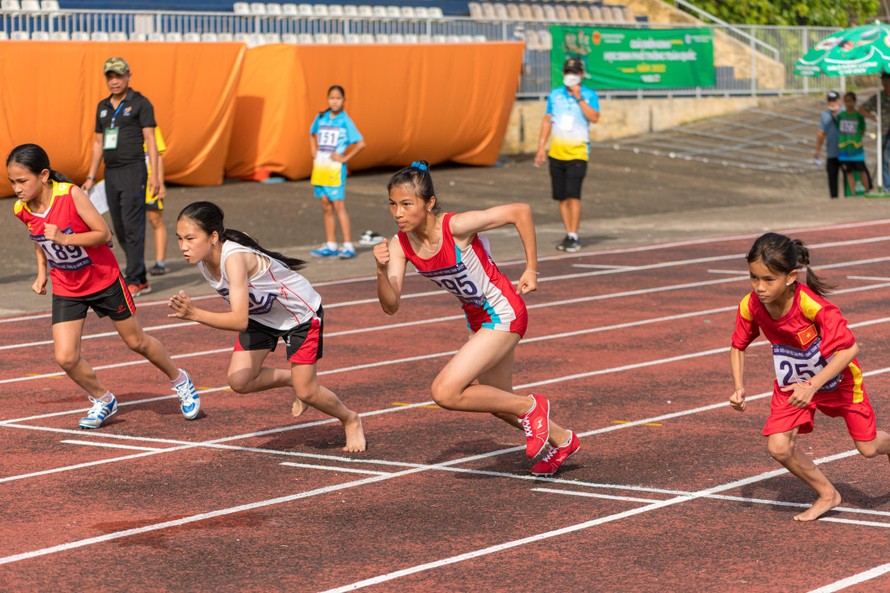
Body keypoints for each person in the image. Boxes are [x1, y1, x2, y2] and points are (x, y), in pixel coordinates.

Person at [372, 161, 578, 476]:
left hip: (504, 312)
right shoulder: (400, 245)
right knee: (497, 402)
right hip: (479, 323)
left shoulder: (455, 227)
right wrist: (381, 270)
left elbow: (519, 211)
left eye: (406, 204)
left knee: (444, 391)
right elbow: (391, 305)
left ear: (428, 204)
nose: (397, 213)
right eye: (392, 204)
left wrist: (531, 268)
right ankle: (562, 439)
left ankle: (531, 406)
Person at [8, 144, 200, 429]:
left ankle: (180, 380)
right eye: (12, 181)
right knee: (65, 357)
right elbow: (38, 239)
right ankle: (103, 399)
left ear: (44, 175)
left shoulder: (72, 195)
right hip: (67, 286)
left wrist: (65, 239)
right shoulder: (21, 209)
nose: (17, 188)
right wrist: (41, 274)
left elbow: (103, 233)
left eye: (22, 181)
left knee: (136, 342)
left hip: (103, 279)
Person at [168, 201, 366, 452]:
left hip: (299, 316)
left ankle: (350, 419)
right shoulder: (203, 259)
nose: (183, 247)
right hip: (262, 318)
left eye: (190, 238)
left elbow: (239, 320)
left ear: (213, 237)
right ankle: (291, 380)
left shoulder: (234, 259)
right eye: (179, 239)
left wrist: (194, 313)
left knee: (307, 392)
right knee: (240, 381)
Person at [729, 232, 890, 522]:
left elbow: (850, 348)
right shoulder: (750, 305)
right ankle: (828, 494)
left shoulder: (811, 305)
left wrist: (813, 385)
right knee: (778, 447)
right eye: (754, 278)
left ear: (791, 276)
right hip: (793, 384)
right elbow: (738, 345)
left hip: (837, 381)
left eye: (768, 280)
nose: (759, 287)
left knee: (868, 448)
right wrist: (739, 387)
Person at [82, 56, 160, 298]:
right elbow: (97, 144)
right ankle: (139, 273)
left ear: (128, 76)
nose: (114, 81)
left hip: (134, 170)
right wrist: (91, 176)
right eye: (110, 77)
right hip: (111, 173)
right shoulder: (103, 107)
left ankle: (135, 278)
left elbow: (151, 141)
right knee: (117, 226)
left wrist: (155, 176)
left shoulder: (140, 103)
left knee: (133, 225)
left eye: (119, 76)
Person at [534, 56, 600, 253]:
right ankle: (568, 231)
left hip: (578, 154)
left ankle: (574, 235)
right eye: (568, 72)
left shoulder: (589, 94)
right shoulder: (555, 95)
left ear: (581, 75)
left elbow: (594, 117)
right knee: (562, 197)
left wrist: (579, 97)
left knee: (573, 195)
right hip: (557, 153)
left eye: (574, 73)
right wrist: (541, 147)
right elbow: (547, 120)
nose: (570, 76)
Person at [309, 85, 367, 260]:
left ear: (343, 100)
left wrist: (344, 158)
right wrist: (313, 149)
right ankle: (331, 244)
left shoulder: (345, 121)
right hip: (320, 165)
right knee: (325, 205)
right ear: (327, 99)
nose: (335, 101)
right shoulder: (321, 117)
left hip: (335, 168)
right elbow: (311, 133)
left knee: (338, 205)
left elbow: (361, 143)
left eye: (338, 98)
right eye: (332, 98)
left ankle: (348, 245)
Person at [859, 71, 890, 190]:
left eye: (887, 80)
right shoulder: (878, 97)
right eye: (884, 80)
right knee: (883, 161)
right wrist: (874, 118)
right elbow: (862, 109)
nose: (886, 83)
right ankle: (887, 187)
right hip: (883, 133)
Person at [837, 91, 872, 196]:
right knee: (849, 172)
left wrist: (856, 140)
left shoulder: (858, 116)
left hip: (856, 150)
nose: (849, 104)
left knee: (862, 170)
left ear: (855, 102)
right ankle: (852, 193)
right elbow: (839, 129)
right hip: (844, 149)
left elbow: (862, 130)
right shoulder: (841, 116)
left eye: (851, 101)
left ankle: (867, 191)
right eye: (846, 101)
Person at [146, 127, 168, 276]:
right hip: (130, 184)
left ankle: (160, 262)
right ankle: (136, 263)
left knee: (155, 219)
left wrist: (160, 182)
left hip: (150, 183)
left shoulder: (151, 127)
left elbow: (159, 156)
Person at [813, 90, 842, 199]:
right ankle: (834, 200)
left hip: (845, 152)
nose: (832, 103)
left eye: (834, 100)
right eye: (830, 100)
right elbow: (821, 133)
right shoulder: (825, 115)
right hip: (831, 153)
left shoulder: (845, 113)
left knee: (848, 177)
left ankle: (850, 200)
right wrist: (817, 150)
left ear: (839, 100)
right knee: (832, 179)